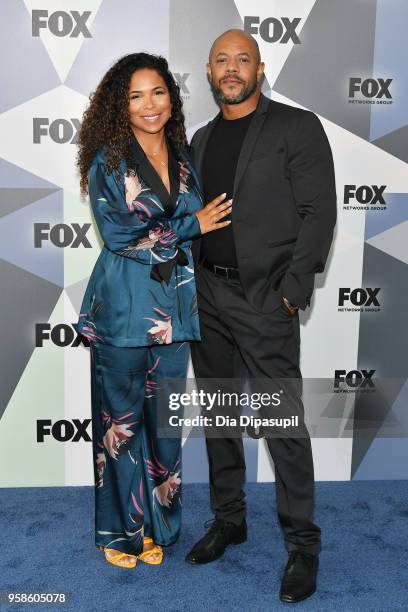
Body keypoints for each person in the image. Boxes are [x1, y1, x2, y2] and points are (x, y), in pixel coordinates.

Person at [185, 30, 337, 604]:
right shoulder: (199, 139)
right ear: (208, 70)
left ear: (260, 67)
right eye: (221, 60)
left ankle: (302, 544)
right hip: (207, 296)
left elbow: (319, 210)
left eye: (241, 60)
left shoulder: (296, 127)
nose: (231, 69)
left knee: (282, 426)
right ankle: (230, 518)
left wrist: (291, 292)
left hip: (265, 301)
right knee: (221, 414)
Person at [76, 52, 231, 569]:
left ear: (172, 98)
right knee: (120, 424)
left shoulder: (183, 156)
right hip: (123, 307)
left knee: (163, 422)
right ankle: (119, 534)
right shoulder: (108, 160)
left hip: (173, 309)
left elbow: (201, 221)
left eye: (158, 92)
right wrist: (191, 227)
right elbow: (121, 236)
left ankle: (158, 526)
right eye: (136, 95)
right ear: (121, 105)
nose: (149, 104)